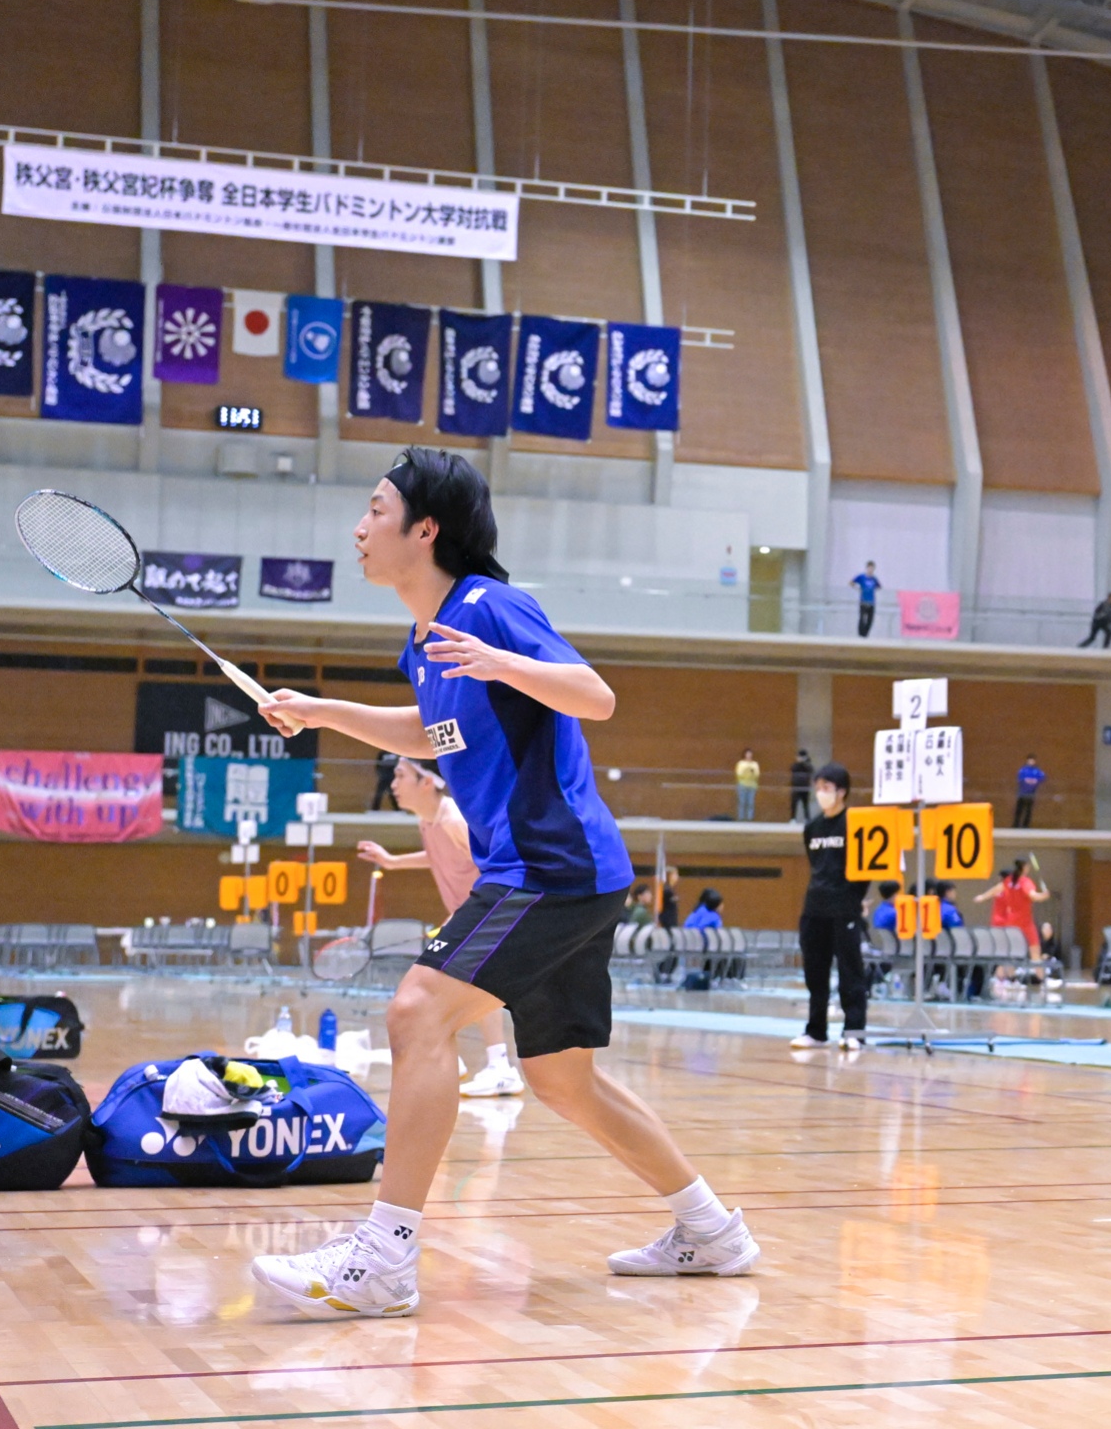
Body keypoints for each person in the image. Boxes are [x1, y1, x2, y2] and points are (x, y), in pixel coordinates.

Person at [250, 447, 757, 1317]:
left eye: (376, 510)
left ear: (425, 529)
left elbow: (594, 696)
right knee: (561, 1080)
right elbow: (433, 732)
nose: (360, 528)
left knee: (417, 1012)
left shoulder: (490, 607)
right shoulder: (424, 641)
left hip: (548, 866)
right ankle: (712, 1231)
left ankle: (384, 1259)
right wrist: (321, 711)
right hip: (564, 873)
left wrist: (504, 662)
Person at [354, 757, 522, 1098]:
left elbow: (495, 866)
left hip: (489, 912)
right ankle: (459, 1058)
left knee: (463, 982)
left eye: (400, 776)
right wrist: (392, 862)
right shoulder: (429, 821)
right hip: (472, 914)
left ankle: (499, 1067)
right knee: (448, 984)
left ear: (427, 782)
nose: (393, 785)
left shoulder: (455, 819)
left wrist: (469, 914)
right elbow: (439, 855)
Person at [794, 763, 868, 1050]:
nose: (820, 793)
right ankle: (816, 1031)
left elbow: (865, 869)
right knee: (815, 973)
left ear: (842, 791)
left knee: (850, 973)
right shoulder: (812, 828)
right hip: (814, 908)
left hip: (844, 908)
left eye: (826, 787)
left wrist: (852, 898)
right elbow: (816, 866)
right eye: (818, 788)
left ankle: (854, 1032)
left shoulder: (855, 824)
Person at [969, 858, 1042, 960]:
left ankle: (1004, 970)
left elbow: (995, 890)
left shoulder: (1002, 890)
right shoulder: (1011, 891)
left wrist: (982, 896)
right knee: (1017, 953)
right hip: (1007, 923)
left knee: (1005, 955)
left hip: (997, 923)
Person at [850, 561, 882, 638]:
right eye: (869, 568)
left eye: (872, 568)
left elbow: (879, 586)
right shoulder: (862, 577)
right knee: (862, 619)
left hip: (871, 602)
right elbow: (851, 582)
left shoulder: (874, 579)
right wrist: (858, 588)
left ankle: (865, 635)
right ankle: (860, 634)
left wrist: (872, 590)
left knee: (870, 620)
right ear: (867, 568)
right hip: (863, 601)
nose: (870, 570)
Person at [1013, 754, 1044, 828]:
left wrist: (1034, 781)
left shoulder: (1037, 770)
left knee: (1028, 810)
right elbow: (1021, 778)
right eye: (1030, 760)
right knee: (1019, 809)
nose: (1031, 762)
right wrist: (1029, 780)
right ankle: (1016, 824)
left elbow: (1041, 777)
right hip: (1022, 793)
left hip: (1031, 793)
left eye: (1032, 760)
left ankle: (1025, 825)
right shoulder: (1023, 769)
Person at [733, 748, 760, 821]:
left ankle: (749, 818)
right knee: (742, 802)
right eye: (747, 754)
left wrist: (750, 773)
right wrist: (747, 771)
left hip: (752, 785)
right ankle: (741, 818)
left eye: (750, 754)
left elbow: (756, 774)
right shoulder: (741, 763)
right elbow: (739, 774)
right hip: (742, 785)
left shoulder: (755, 764)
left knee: (751, 803)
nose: (749, 755)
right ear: (745, 755)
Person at [789, 749, 813, 823]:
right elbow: (792, 769)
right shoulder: (795, 765)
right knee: (794, 804)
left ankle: (807, 818)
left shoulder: (808, 765)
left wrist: (805, 763)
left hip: (805, 787)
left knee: (805, 804)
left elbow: (811, 770)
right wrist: (799, 763)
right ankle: (793, 819)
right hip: (796, 787)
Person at [655, 864, 682, 929]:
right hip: (668, 924)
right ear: (669, 876)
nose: (677, 877)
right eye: (675, 874)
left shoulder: (668, 890)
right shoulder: (667, 891)